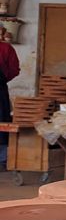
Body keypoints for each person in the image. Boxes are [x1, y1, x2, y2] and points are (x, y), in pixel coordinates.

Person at [0, 36, 20, 169]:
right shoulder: (6, 48)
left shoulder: (6, 48)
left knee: (2, 123)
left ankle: (2, 159)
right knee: (1, 122)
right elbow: (13, 70)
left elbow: (14, 69)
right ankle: (2, 160)